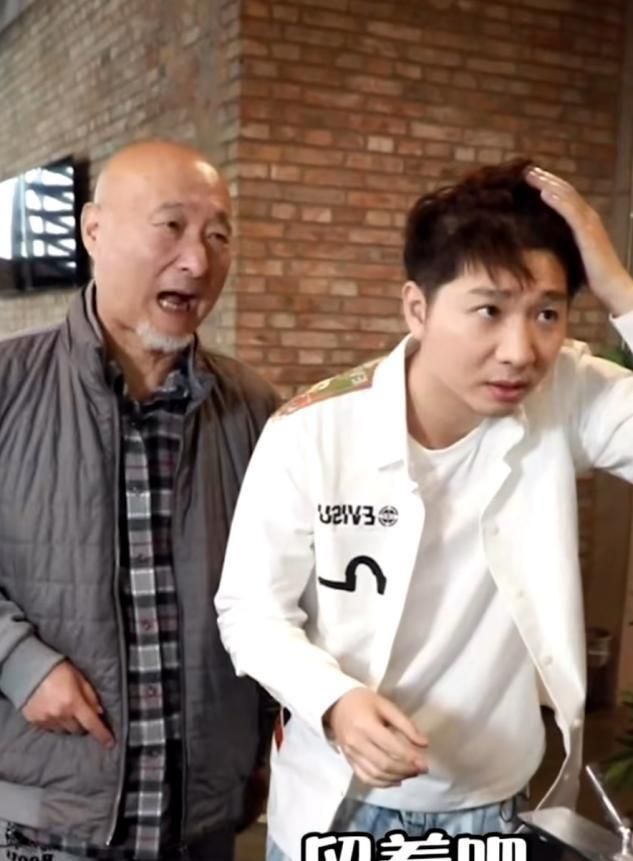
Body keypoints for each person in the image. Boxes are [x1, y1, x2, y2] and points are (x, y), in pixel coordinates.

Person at [215, 160, 633, 860]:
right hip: (339, 803)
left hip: (493, 804)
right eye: (488, 310)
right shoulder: (312, 430)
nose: (519, 351)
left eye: (547, 313)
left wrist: (620, 288)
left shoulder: (566, 395)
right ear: (417, 308)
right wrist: (334, 701)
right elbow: (250, 611)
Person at [0, 139, 279, 861]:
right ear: (93, 231)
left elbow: (279, 587)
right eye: (171, 227)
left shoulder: (254, 409)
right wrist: (18, 661)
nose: (198, 260)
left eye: (218, 236)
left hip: (201, 817)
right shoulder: (8, 384)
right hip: (41, 813)